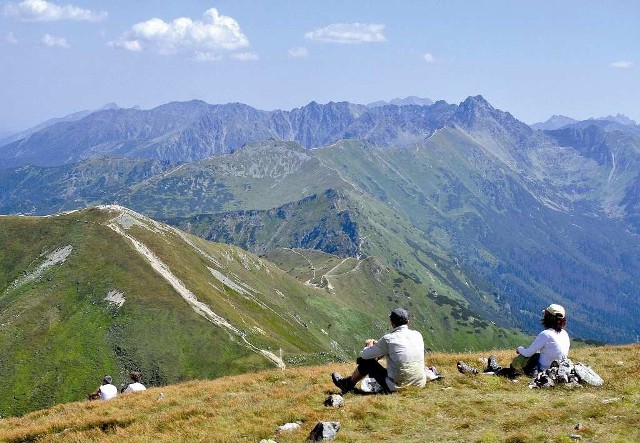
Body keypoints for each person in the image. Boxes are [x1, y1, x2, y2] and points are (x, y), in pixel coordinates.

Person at [457, 303, 570, 378]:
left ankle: (475, 372)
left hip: (538, 372)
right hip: (555, 372)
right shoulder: (565, 335)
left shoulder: (546, 334)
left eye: (545, 314)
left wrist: (519, 349)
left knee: (507, 372)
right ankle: (492, 366)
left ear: (548, 318)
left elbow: (528, 353)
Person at [331, 308, 427, 394]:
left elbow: (365, 355)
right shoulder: (417, 335)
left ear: (392, 323)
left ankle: (347, 384)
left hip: (397, 387)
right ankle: (348, 383)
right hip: (419, 383)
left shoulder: (389, 339)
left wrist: (369, 345)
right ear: (408, 322)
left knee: (367, 361)